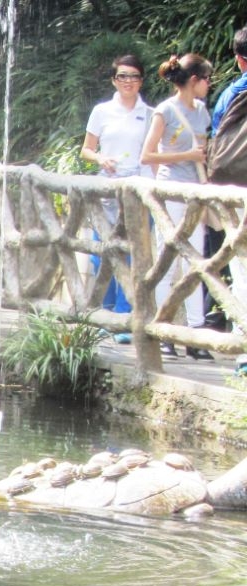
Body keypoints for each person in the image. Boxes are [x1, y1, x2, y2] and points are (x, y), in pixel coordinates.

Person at [141, 53, 214, 359]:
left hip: (195, 194)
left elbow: (202, 151)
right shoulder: (165, 111)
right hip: (171, 193)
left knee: (196, 262)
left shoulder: (202, 112)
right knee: (167, 261)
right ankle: (164, 328)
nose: (210, 85)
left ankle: (195, 334)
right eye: (207, 79)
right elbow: (148, 156)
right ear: (194, 80)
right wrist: (187, 157)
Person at [81, 54, 154, 328]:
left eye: (134, 76)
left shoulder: (149, 114)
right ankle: (104, 313)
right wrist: (101, 159)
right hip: (107, 188)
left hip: (136, 189)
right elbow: (86, 150)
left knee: (134, 252)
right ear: (114, 80)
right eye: (123, 76)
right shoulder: (101, 111)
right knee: (104, 249)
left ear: (141, 81)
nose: (128, 81)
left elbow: (152, 154)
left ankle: (125, 316)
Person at [209, 27, 247, 368]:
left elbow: (216, 138)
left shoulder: (231, 94)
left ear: (238, 60)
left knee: (241, 266)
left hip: (236, 192)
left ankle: (243, 351)